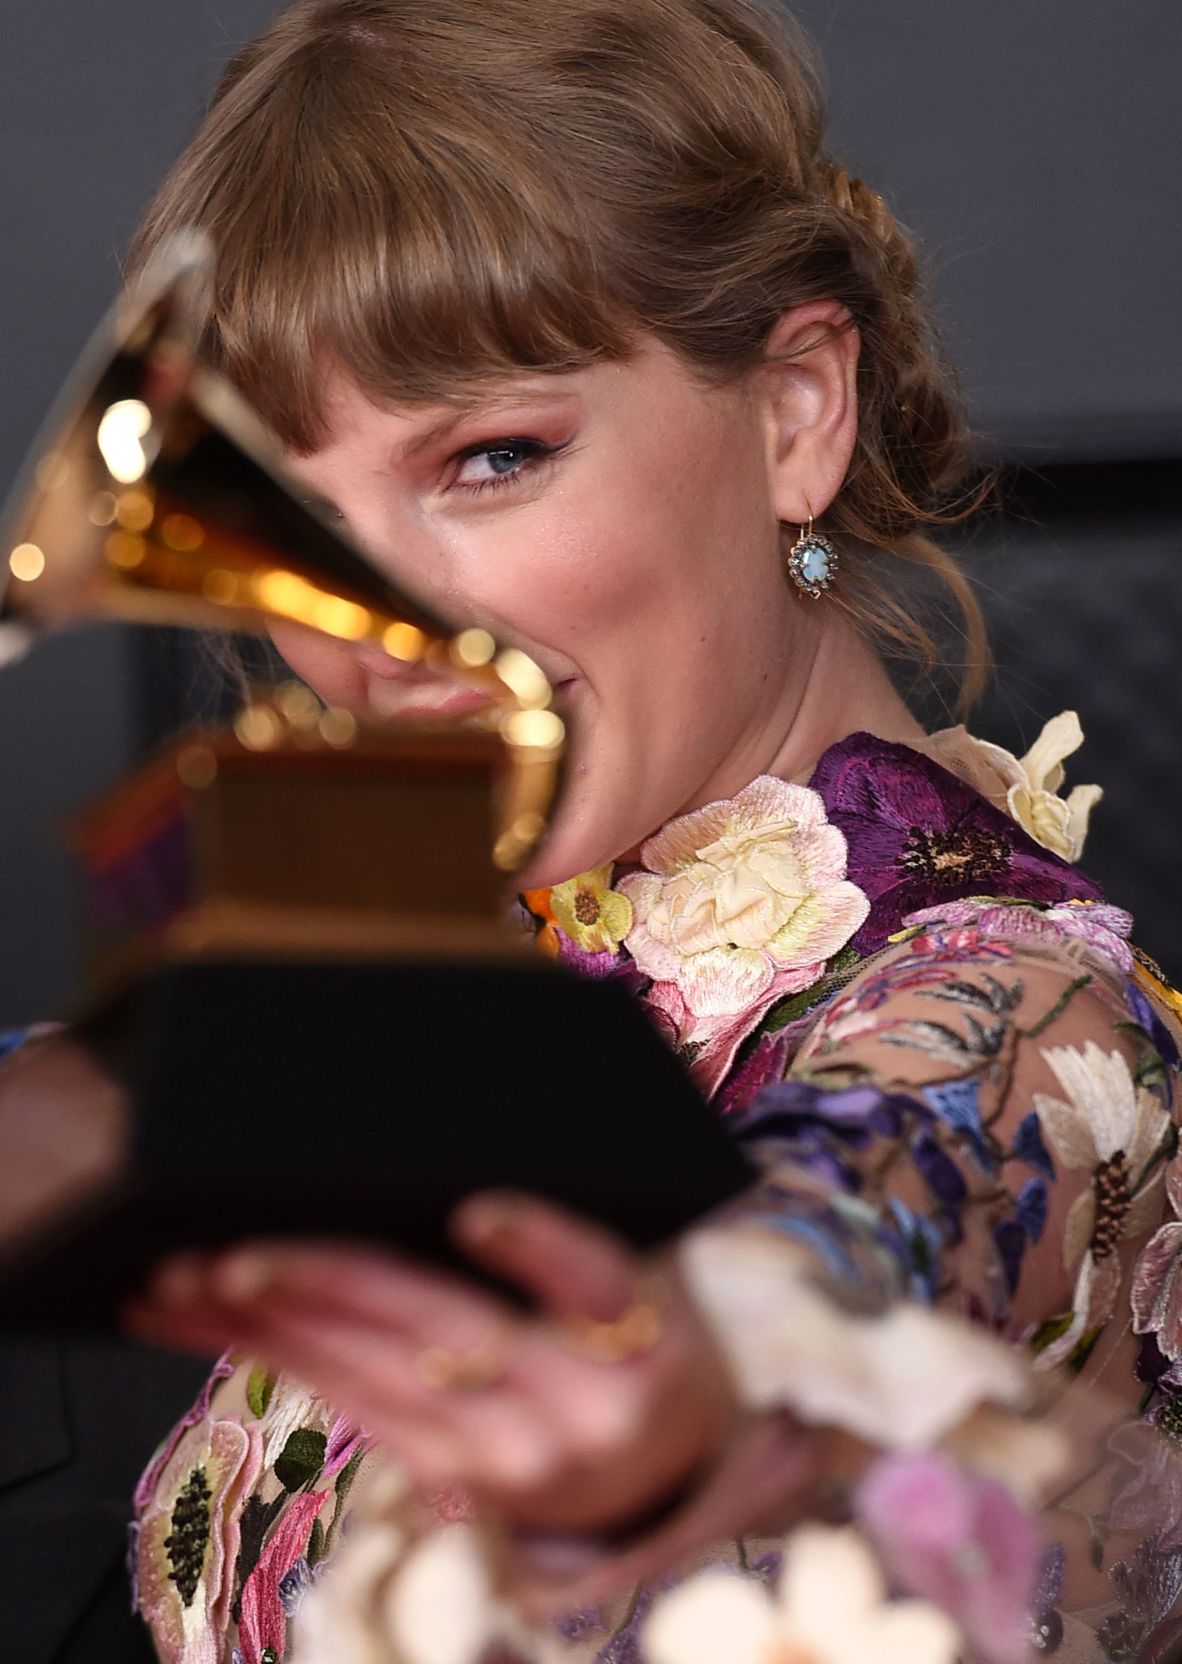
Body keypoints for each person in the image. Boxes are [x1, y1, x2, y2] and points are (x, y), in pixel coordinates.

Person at [29, 0, 1182, 1658]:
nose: (364, 626)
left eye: (492, 456)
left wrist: (707, 1348)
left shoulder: (1021, 1022)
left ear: (793, 412)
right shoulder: (457, 995)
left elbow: (880, 1185)